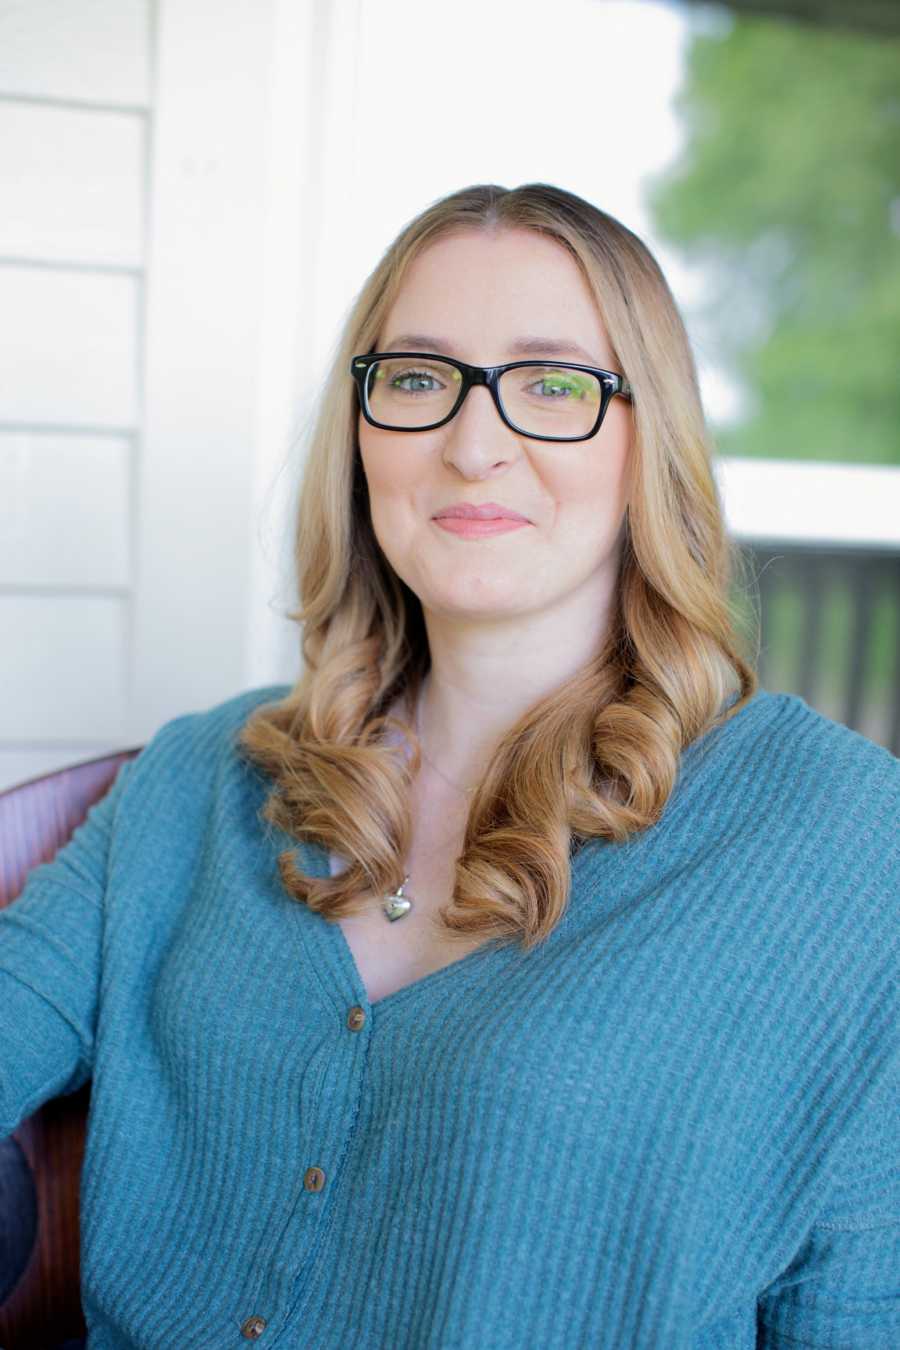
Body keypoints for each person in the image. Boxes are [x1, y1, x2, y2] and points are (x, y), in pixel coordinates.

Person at [1, 182, 897, 1349]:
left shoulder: (836, 841)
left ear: (648, 442)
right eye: (419, 379)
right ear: (363, 428)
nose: (475, 446)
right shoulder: (198, 779)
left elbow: (858, 1303)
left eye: (554, 385)